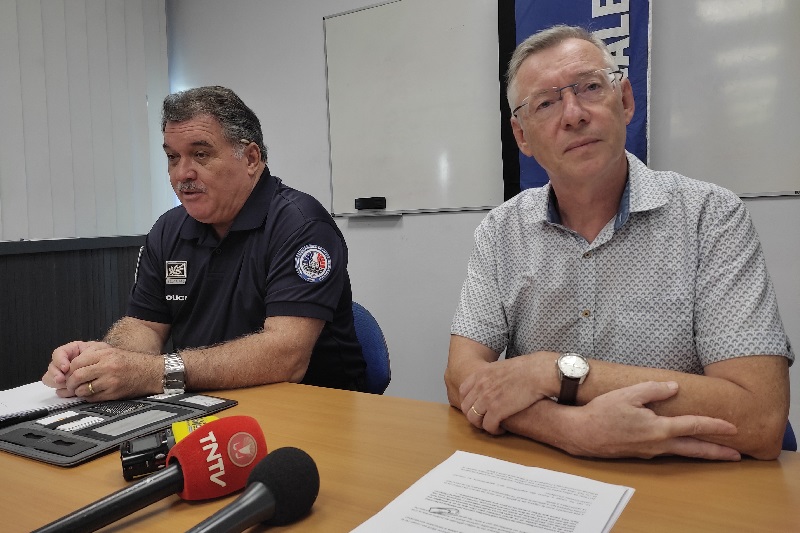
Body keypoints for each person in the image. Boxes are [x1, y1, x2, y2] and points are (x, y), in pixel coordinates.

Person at [444, 25, 793, 461]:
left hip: (678, 475)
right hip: (546, 467)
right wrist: (569, 429)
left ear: (625, 101)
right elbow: (460, 377)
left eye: (590, 88)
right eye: (546, 103)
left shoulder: (711, 217)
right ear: (522, 137)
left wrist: (551, 372)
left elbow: (761, 418)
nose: (573, 115)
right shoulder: (501, 231)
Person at [43, 86, 366, 400]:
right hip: (204, 401)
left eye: (200, 155)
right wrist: (102, 363)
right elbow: (145, 326)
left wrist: (154, 373)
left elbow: (287, 357)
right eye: (173, 157)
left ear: (251, 158)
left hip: (311, 406)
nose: (182, 173)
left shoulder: (301, 224)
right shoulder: (169, 228)